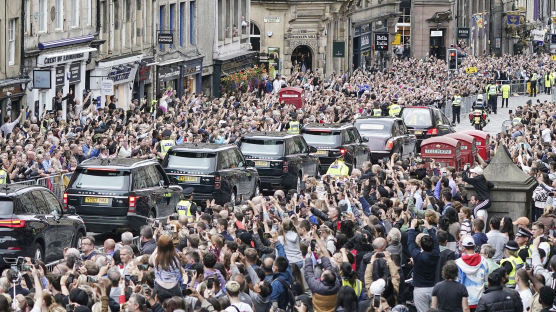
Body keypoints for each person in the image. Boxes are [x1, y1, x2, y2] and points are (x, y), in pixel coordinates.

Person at [407, 218, 439, 312]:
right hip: (433, 288)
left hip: (420, 290)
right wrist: (429, 228)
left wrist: (412, 228)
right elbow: (436, 242)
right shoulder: (436, 254)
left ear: (421, 245)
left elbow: (410, 243)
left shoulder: (417, 255)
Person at [455, 236, 488, 310]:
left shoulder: (458, 263)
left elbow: (457, 282)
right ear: (475, 246)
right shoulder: (484, 261)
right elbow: (486, 280)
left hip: (464, 302)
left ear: (463, 247)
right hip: (480, 300)